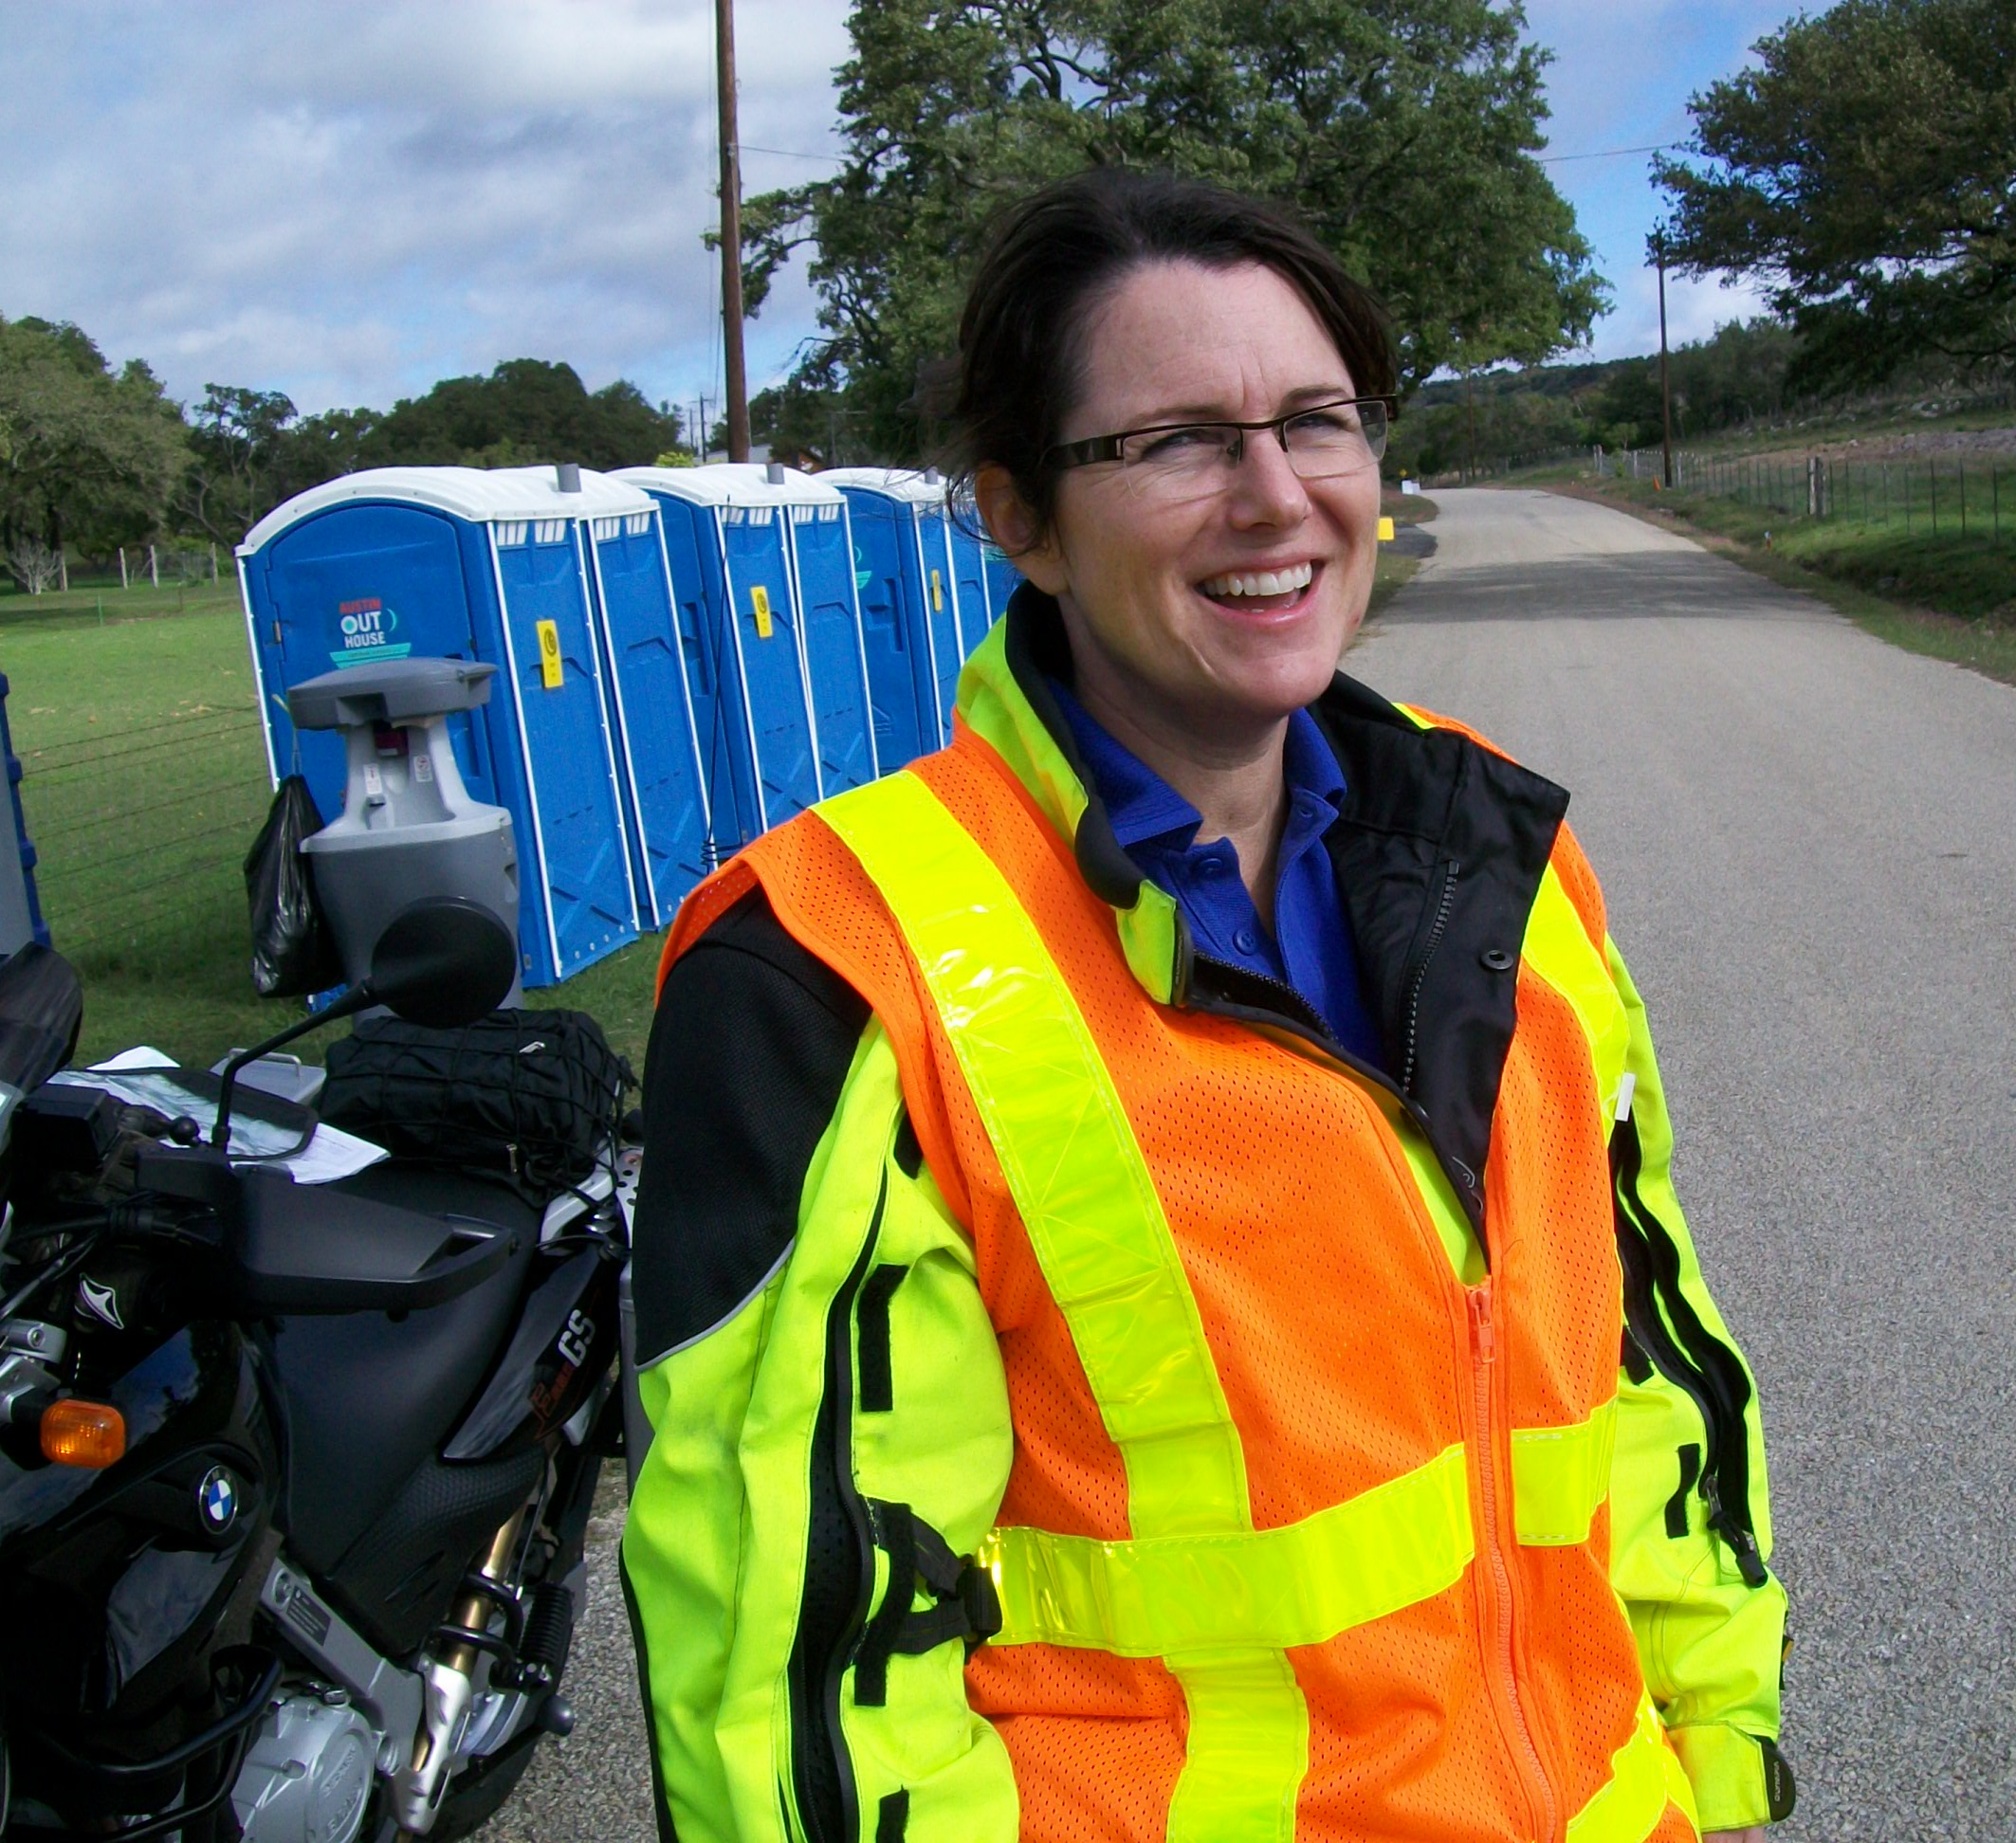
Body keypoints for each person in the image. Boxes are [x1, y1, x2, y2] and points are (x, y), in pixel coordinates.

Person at [622, 169, 1792, 1843]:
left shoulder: (1501, 851)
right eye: (1175, 441)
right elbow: (799, 1696)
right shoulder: (832, 971)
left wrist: (1719, 1734)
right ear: (1020, 516)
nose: (1275, 497)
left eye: (1317, 421)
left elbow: (1639, 1348)